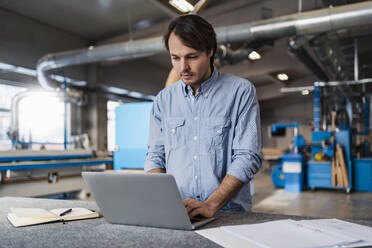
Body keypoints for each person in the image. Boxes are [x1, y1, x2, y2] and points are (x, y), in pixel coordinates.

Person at [144, 14, 262, 219]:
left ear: (210, 51)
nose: (183, 68)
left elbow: (247, 156)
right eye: (175, 58)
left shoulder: (240, 92)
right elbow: (155, 156)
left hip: (228, 214)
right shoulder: (164, 100)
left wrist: (211, 204)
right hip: (179, 213)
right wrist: (165, 202)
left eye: (191, 56)